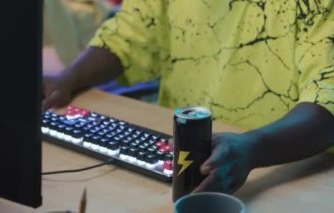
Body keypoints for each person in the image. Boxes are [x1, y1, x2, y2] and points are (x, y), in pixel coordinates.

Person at [43, 0, 334, 194]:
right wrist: (70, 78)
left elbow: (328, 100)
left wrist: (254, 149)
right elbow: (131, 33)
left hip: (288, 178)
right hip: (185, 171)